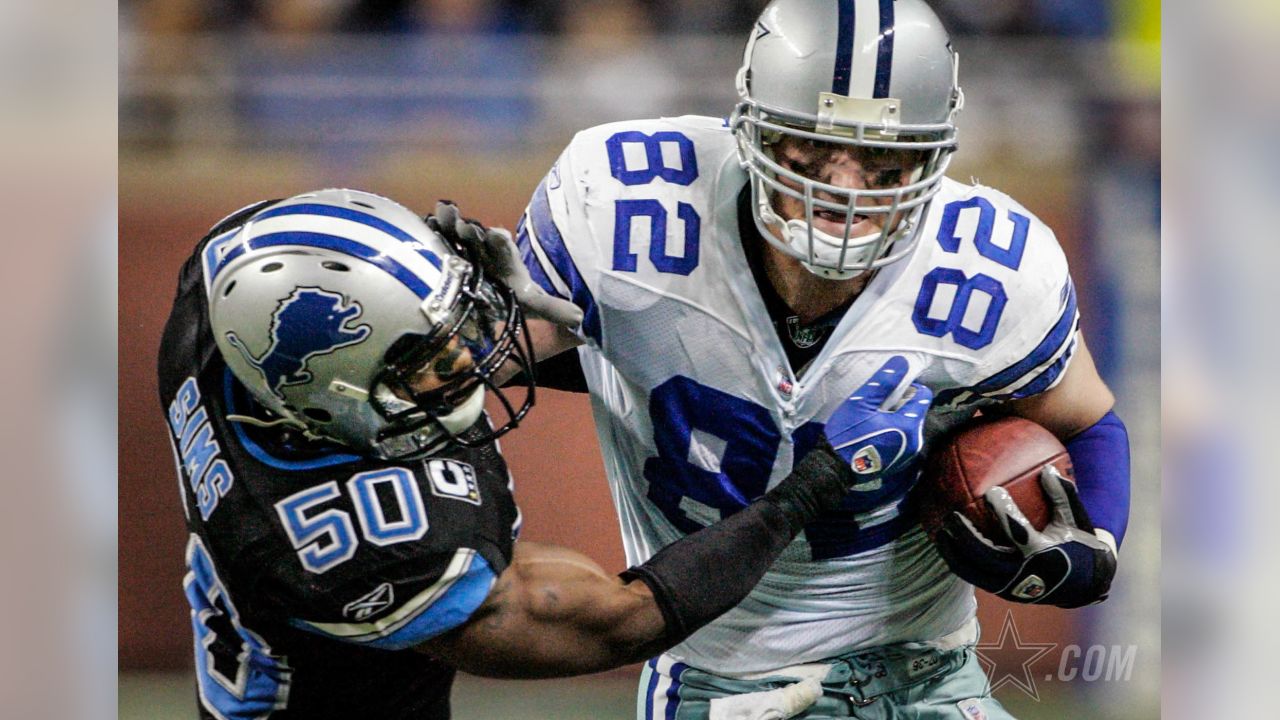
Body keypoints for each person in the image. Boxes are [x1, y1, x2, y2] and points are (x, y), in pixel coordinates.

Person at [436, 1, 1130, 717]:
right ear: (754, 128)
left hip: (929, 669)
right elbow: (484, 363)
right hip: (724, 682)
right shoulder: (631, 206)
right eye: (812, 148)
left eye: (884, 160)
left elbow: (1085, 416)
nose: (845, 186)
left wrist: (1094, 540)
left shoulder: (990, 269)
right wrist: (448, 330)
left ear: (934, 156)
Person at [158, 188, 930, 719]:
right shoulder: (364, 552)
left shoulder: (235, 307)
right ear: (331, 399)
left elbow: (319, 258)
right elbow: (622, 619)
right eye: (432, 356)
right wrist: (815, 484)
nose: (468, 356)